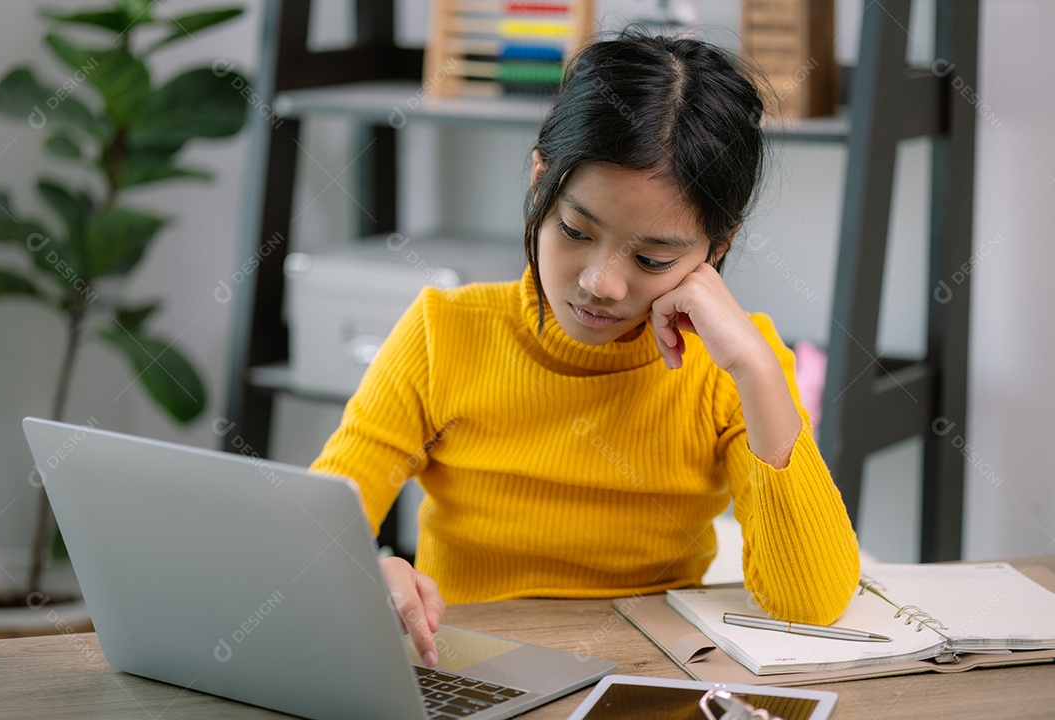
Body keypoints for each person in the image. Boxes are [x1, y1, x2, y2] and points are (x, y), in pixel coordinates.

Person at [310, 30, 860, 667]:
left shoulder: (731, 369)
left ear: (718, 248)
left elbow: (810, 602)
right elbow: (314, 538)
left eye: (652, 259)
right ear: (541, 179)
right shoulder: (443, 333)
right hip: (471, 670)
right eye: (575, 230)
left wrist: (758, 370)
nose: (601, 284)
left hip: (650, 674)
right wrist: (367, 571)